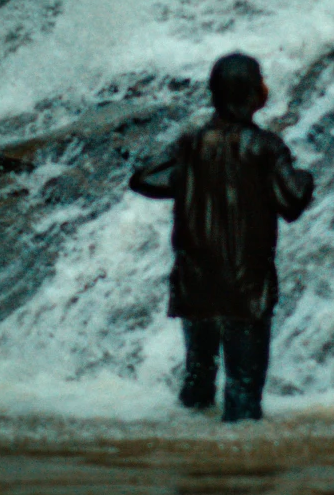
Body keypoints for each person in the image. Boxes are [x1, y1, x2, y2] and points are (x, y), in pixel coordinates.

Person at [129, 52, 314, 422]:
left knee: (197, 386)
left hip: (195, 283)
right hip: (245, 289)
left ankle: (193, 467)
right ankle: (238, 474)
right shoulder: (265, 146)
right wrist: (306, 178)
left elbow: (144, 178)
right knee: (243, 393)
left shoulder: (191, 144)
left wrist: (186, 171)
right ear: (253, 93)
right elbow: (291, 202)